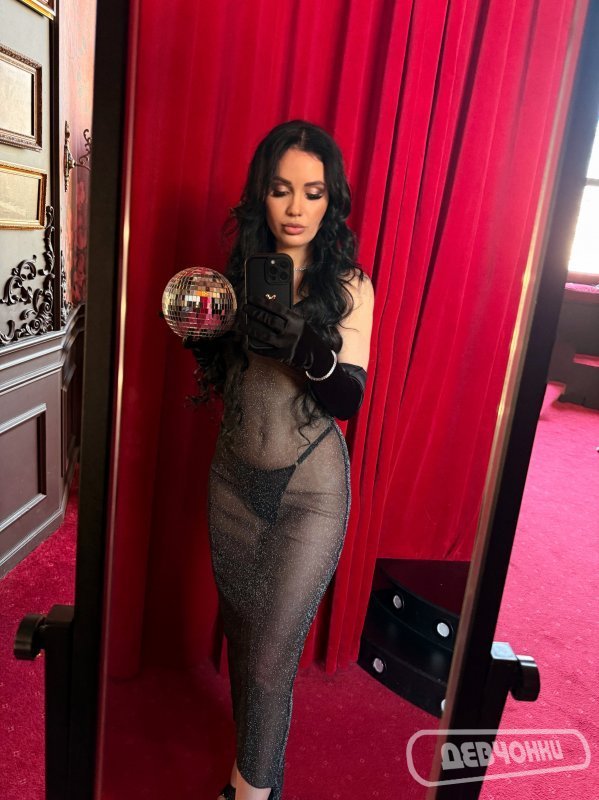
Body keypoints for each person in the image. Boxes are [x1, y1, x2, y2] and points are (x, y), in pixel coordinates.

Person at [184, 119, 375, 800]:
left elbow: (348, 397)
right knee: (245, 646)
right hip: (232, 484)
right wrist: (197, 328)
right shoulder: (237, 279)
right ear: (260, 195)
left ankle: (248, 792)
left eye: (312, 192)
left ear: (331, 201)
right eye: (280, 189)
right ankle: (261, 771)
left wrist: (308, 349)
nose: (295, 208)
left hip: (309, 492)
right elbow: (220, 376)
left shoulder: (348, 285)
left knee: (270, 662)